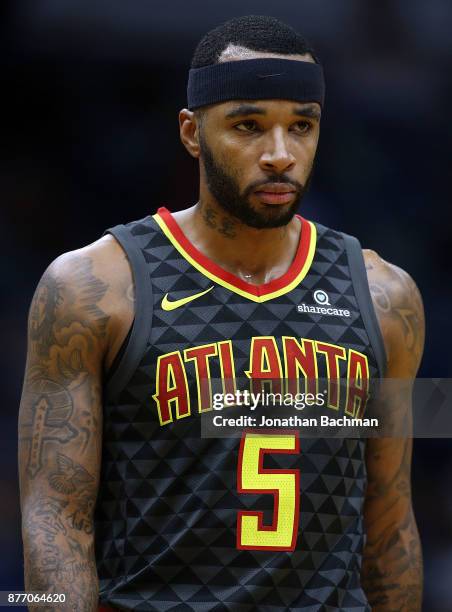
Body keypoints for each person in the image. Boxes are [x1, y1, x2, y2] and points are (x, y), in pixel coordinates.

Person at [19, 15, 425, 612]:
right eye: (249, 126)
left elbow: (392, 524)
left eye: (302, 127)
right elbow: (53, 517)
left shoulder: (389, 296)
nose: (280, 155)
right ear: (190, 131)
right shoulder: (89, 287)